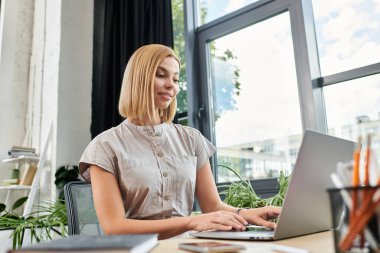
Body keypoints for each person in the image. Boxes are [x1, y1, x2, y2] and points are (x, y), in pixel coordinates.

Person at [79, 44, 281, 240]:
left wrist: (247, 213)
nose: (171, 85)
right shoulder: (105, 146)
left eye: (175, 79)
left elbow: (212, 207)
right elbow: (115, 227)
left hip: (187, 247)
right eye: (161, 75)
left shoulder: (191, 139)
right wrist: (191, 222)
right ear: (138, 79)